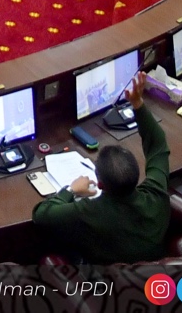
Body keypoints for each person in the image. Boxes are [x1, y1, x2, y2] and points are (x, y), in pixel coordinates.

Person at [32, 72, 168, 264]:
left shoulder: (88, 212)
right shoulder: (156, 195)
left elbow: (41, 215)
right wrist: (138, 104)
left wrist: (71, 190)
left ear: (100, 185)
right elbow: (158, 145)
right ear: (137, 175)